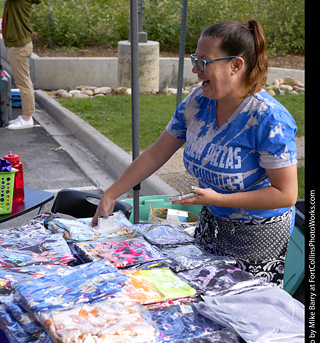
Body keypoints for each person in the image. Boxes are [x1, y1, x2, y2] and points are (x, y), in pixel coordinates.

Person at [91, 19, 298, 287]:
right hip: (211, 223)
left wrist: (219, 199)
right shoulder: (197, 102)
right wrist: (111, 194)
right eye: (194, 59)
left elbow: (286, 194)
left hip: (257, 238)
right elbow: (156, 154)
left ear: (236, 65)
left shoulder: (269, 119)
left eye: (204, 61)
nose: (195, 70)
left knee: (238, 314)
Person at [2, 0, 42, 130]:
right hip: (18, 43)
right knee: (23, 81)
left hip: (18, 46)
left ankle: (27, 118)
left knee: (23, 82)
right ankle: (26, 116)